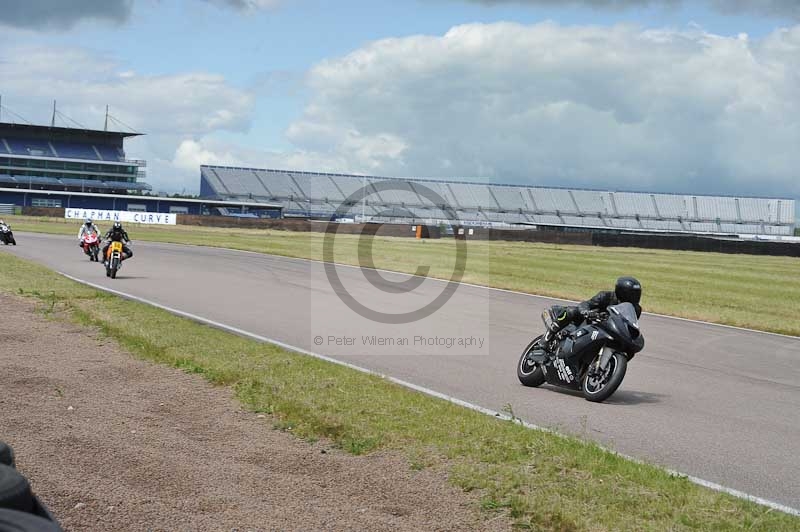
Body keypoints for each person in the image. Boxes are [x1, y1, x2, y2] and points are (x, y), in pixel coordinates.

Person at [538, 276, 642, 352]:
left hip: (608, 330)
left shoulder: (636, 309)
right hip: (588, 322)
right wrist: (587, 312)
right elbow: (585, 304)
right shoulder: (606, 296)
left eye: (636, 294)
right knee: (571, 311)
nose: (635, 297)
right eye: (632, 294)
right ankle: (547, 337)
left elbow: (629, 323)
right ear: (622, 293)